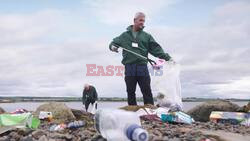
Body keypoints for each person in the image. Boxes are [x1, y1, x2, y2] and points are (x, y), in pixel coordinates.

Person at [109, 12, 173, 106]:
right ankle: (132, 111)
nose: (142, 23)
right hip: (129, 67)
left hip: (142, 67)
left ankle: (150, 111)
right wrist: (112, 47)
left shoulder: (146, 36)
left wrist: (168, 58)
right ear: (134, 20)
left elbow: (156, 49)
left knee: (146, 90)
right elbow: (113, 43)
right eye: (140, 20)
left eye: (143, 21)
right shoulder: (124, 36)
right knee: (130, 91)